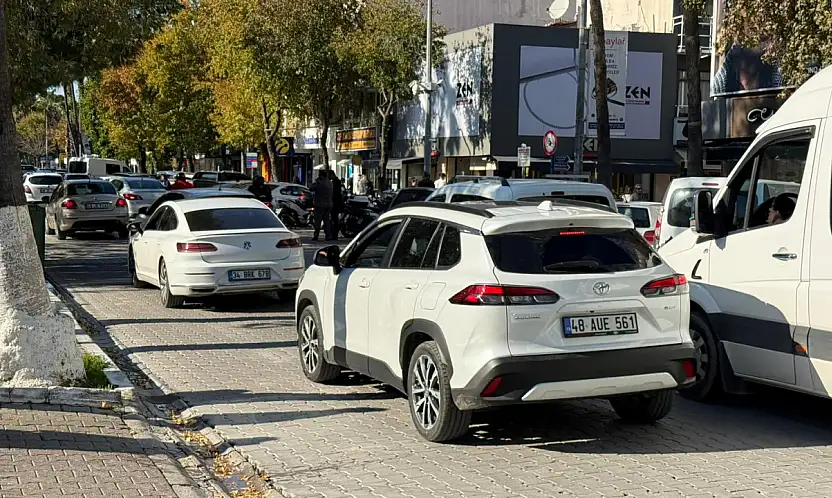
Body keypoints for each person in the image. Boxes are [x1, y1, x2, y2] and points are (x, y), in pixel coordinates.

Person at [310, 169, 333, 241]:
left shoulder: (319, 183)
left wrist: (316, 181)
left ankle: (316, 235)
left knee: (318, 221)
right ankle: (328, 235)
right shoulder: (330, 183)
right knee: (327, 220)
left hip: (319, 204)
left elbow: (311, 188)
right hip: (328, 204)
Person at [328, 170, 343, 241]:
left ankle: (334, 234)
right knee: (334, 219)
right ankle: (334, 234)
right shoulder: (336, 181)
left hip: (335, 203)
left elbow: (335, 193)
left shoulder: (335, 182)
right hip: (336, 203)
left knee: (334, 219)